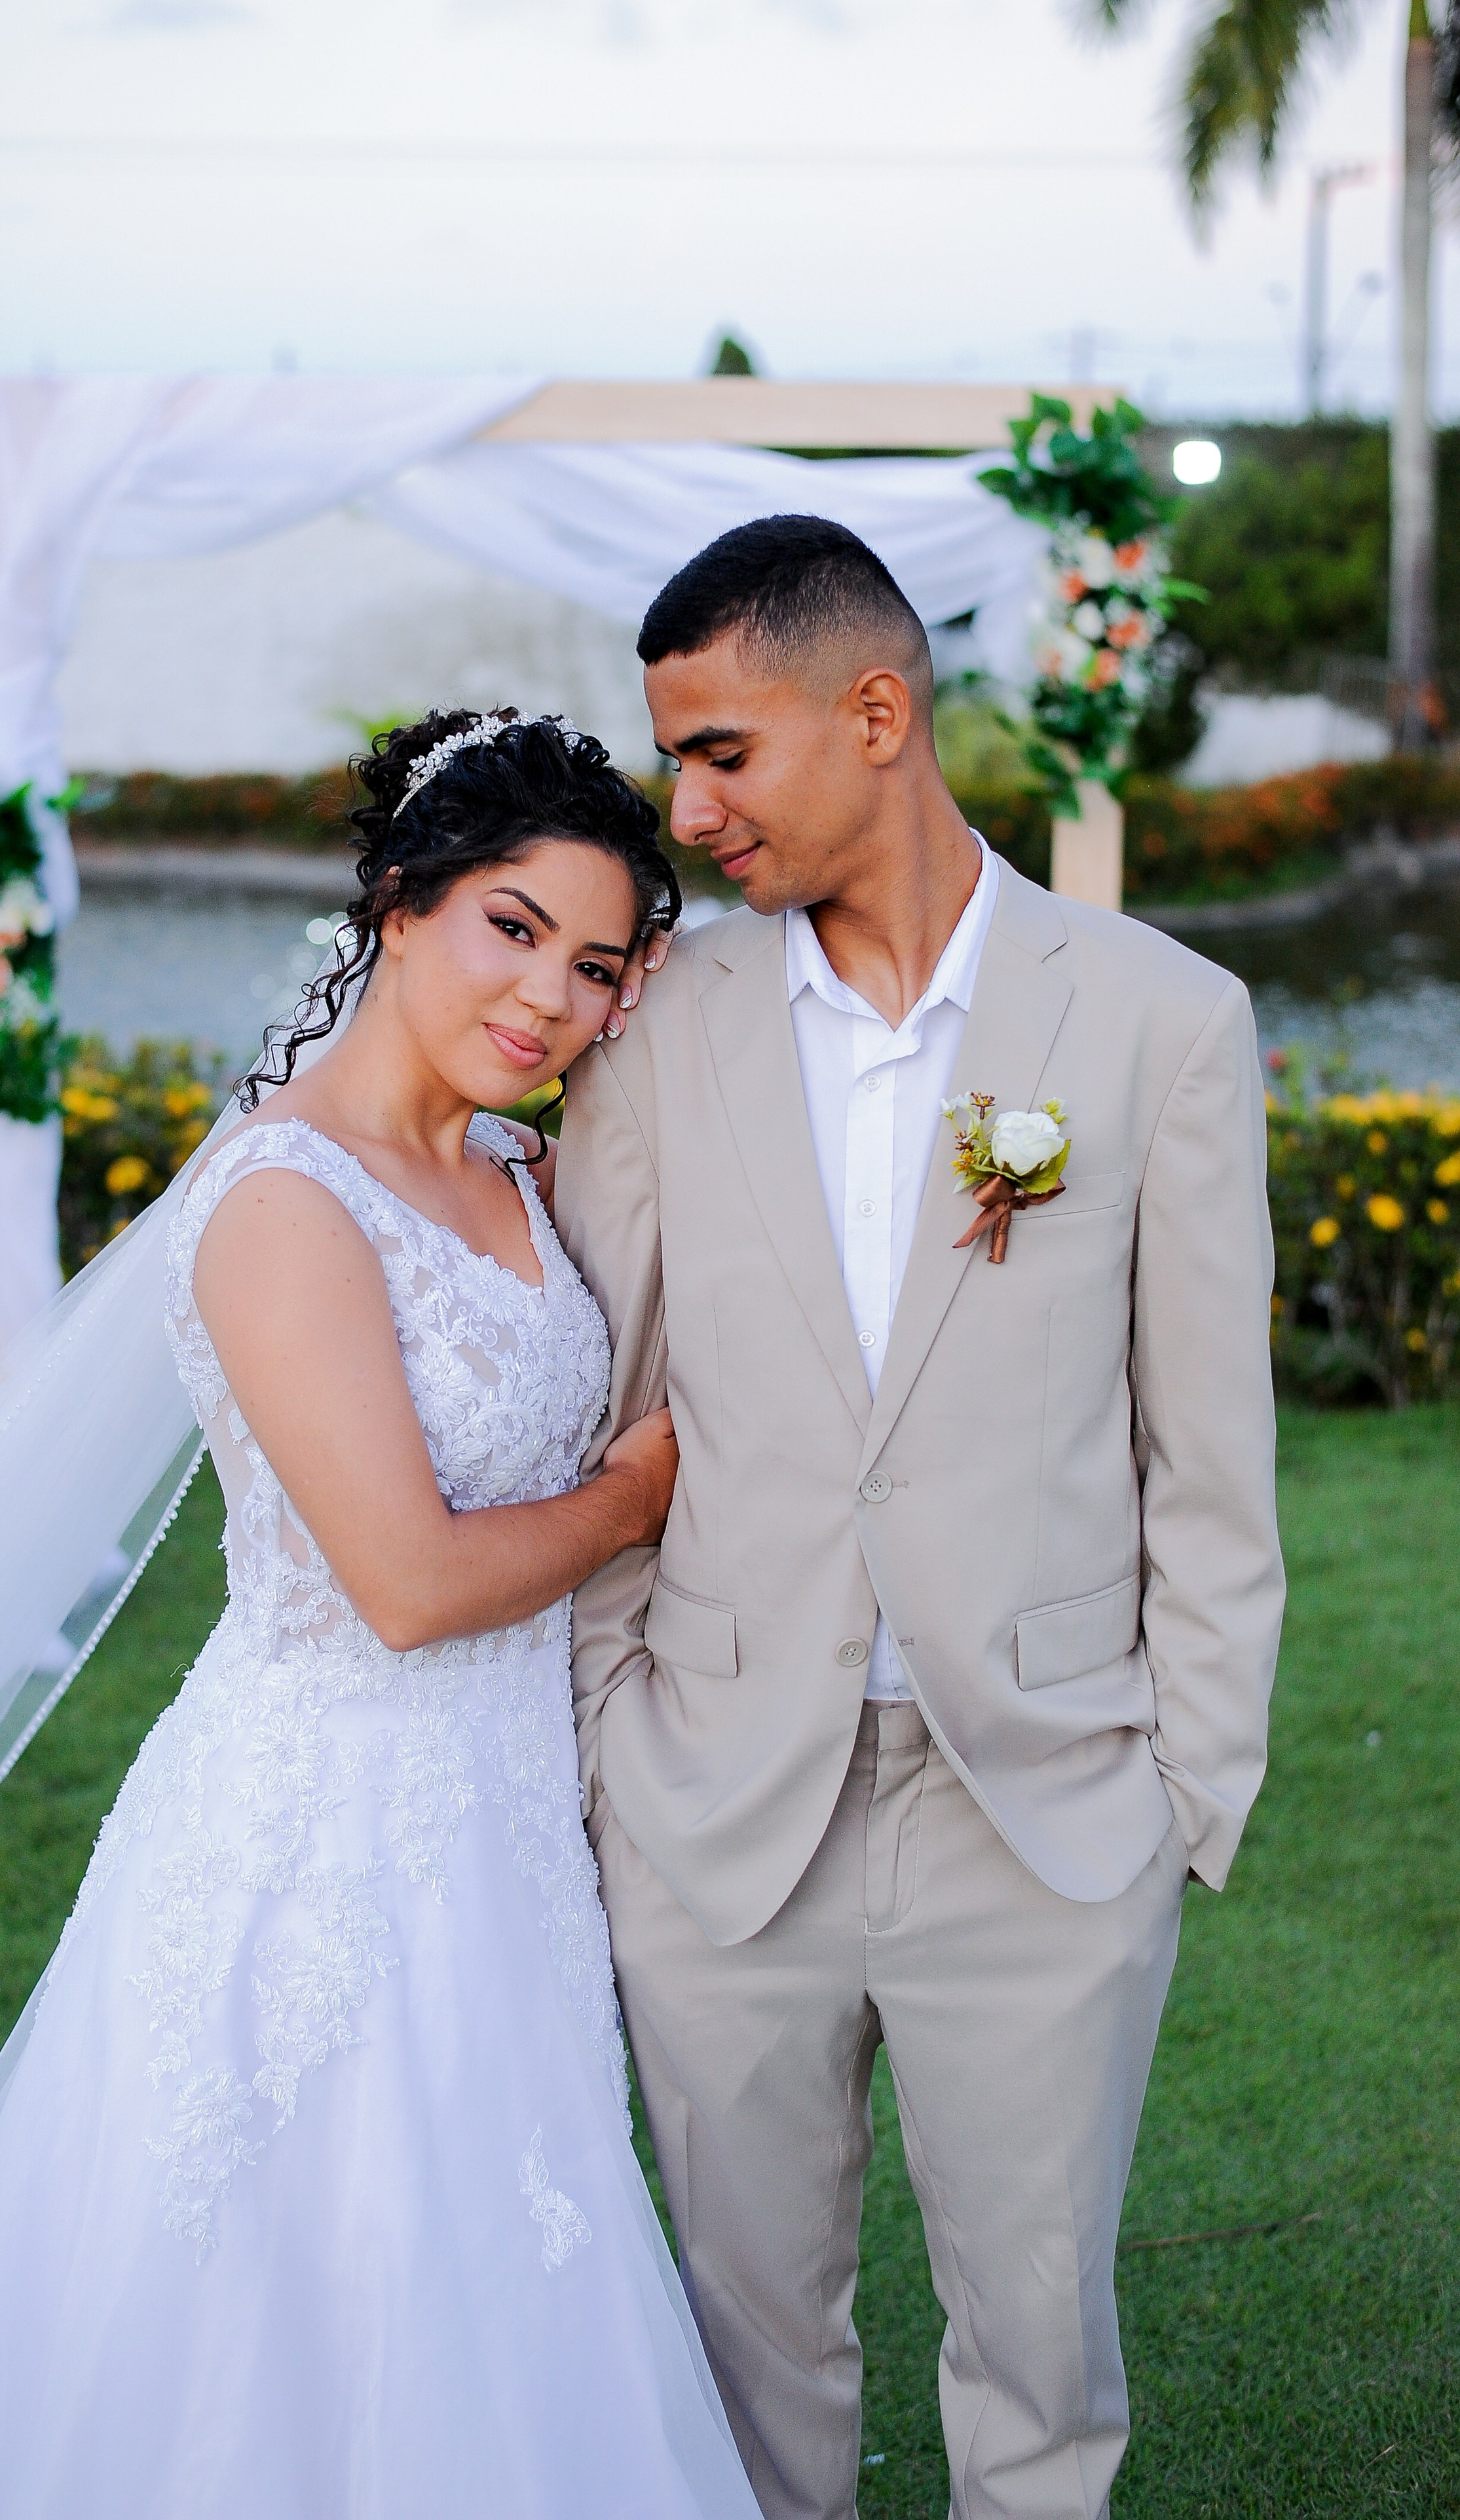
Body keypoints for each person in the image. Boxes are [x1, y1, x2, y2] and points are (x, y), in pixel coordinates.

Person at [0, 710, 761, 2520]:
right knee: (267, 2300)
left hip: (507, 1839)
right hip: (313, 1835)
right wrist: (636, 1490)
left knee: (491, 2251)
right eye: (514, 928)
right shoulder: (280, 1209)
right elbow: (404, 1583)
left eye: (604, 963)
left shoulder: (521, 1174)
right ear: (399, 908)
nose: (555, 996)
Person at [556, 517, 1286, 2520]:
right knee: (741, 2347)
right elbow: (609, 1413)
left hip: (1043, 1814)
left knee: (1038, 2365)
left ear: (877, 714)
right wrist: (620, 1741)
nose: (685, 811)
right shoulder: (653, 1032)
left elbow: (1208, 1457)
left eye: (721, 753)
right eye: (672, 762)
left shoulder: (1159, 1021)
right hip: (717, 1804)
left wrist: (1179, 1790)